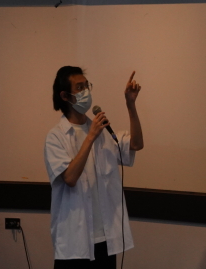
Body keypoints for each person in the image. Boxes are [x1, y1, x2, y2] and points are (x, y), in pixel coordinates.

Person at [44, 66, 144, 268]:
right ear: (65, 96)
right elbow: (70, 178)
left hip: (105, 238)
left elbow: (136, 144)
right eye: (79, 88)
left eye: (86, 86)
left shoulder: (102, 131)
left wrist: (131, 105)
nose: (85, 92)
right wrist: (90, 137)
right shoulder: (56, 137)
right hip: (75, 242)